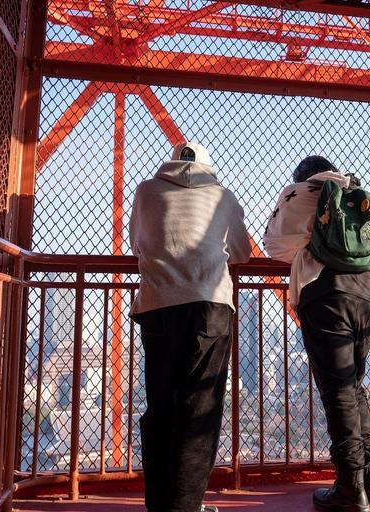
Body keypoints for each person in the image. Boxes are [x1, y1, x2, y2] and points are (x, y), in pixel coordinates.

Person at [264, 156, 370, 512]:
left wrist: (309, 245)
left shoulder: (298, 193)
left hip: (327, 294)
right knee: (353, 385)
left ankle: (350, 489)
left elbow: (273, 245)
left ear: (302, 177)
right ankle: (369, 479)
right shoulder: (358, 192)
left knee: (337, 391)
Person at [129, 142, 251, 512]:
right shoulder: (223, 196)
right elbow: (242, 252)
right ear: (208, 167)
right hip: (209, 306)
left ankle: (160, 504)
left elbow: (137, 245)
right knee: (199, 409)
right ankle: (185, 506)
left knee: (160, 405)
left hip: (157, 305)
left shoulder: (146, 191)